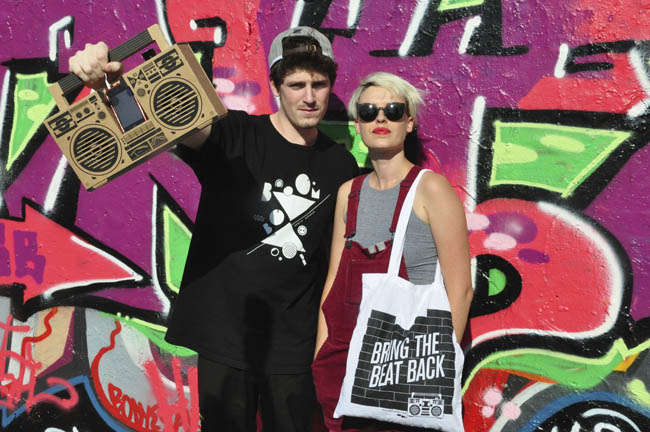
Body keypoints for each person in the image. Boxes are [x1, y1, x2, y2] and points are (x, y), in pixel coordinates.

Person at [69, 26, 359, 431]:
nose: (309, 97)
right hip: (227, 341)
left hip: (296, 348)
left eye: (319, 84)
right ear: (276, 86)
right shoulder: (235, 134)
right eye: (296, 85)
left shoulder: (341, 165)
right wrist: (110, 87)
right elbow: (165, 125)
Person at [312, 72, 473, 431]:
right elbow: (334, 280)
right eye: (369, 111)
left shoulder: (430, 189)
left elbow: (460, 289)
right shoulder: (349, 193)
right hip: (342, 365)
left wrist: (432, 368)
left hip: (403, 367)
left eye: (393, 110)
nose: (380, 118)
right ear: (358, 125)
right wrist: (321, 354)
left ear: (409, 122)